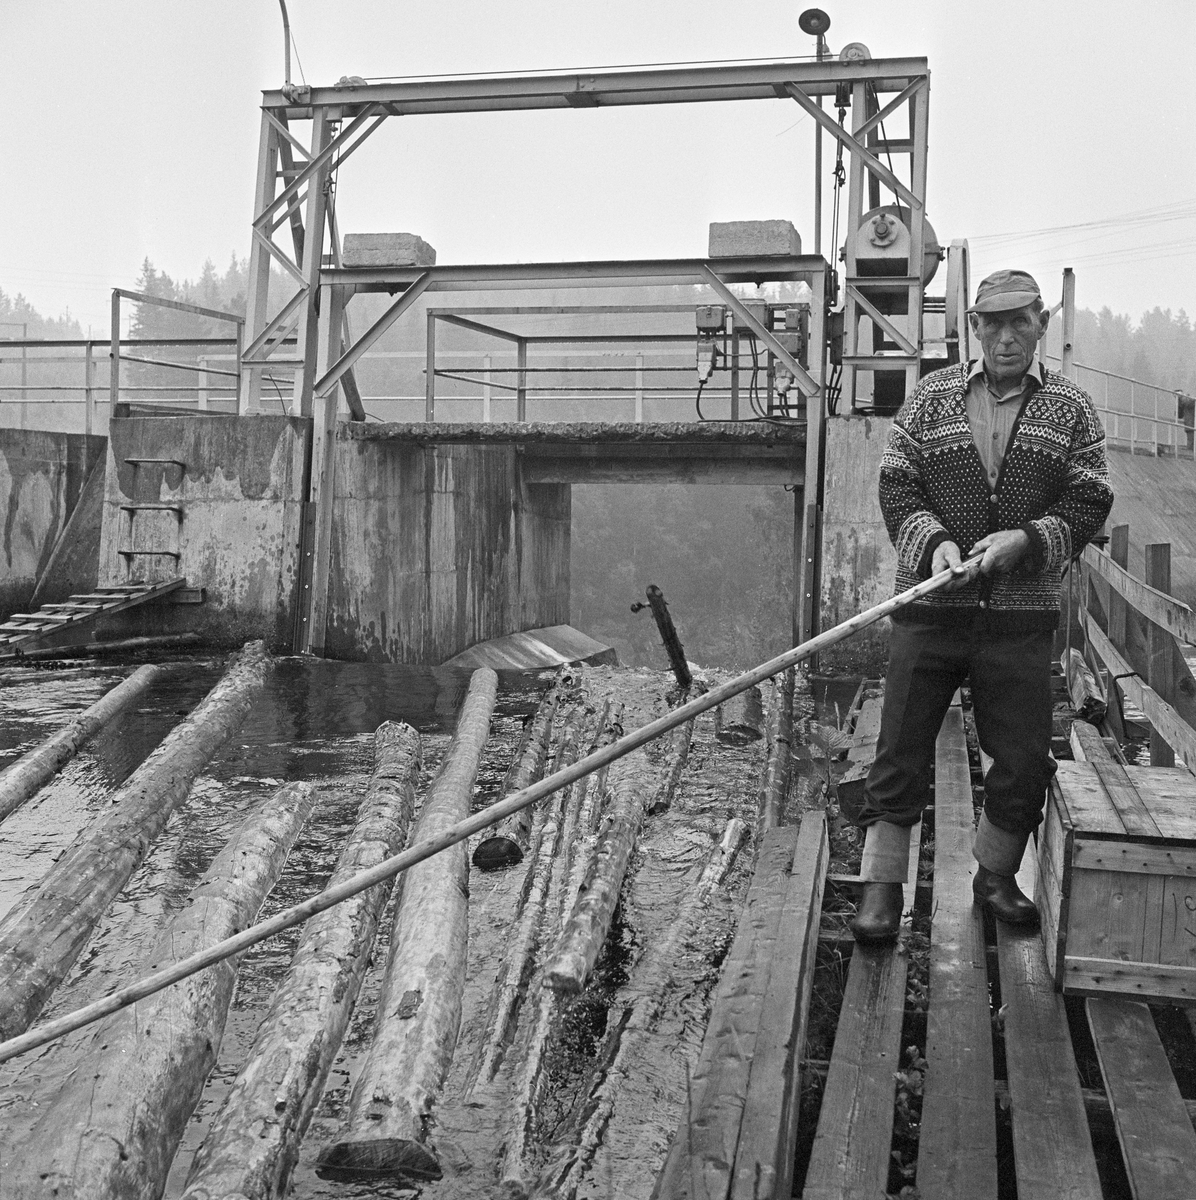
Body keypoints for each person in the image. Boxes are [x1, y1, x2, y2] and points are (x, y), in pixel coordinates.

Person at [851, 268, 1114, 944]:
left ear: (1040, 325)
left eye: (1019, 322)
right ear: (973, 327)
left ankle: (995, 877)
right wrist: (934, 543)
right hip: (932, 612)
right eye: (991, 323)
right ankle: (882, 889)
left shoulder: (1073, 408)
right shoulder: (931, 398)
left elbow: (1089, 497)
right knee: (900, 749)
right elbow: (897, 485)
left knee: (1023, 757)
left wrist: (1026, 541)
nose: (1005, 336)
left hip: (1020, 618)